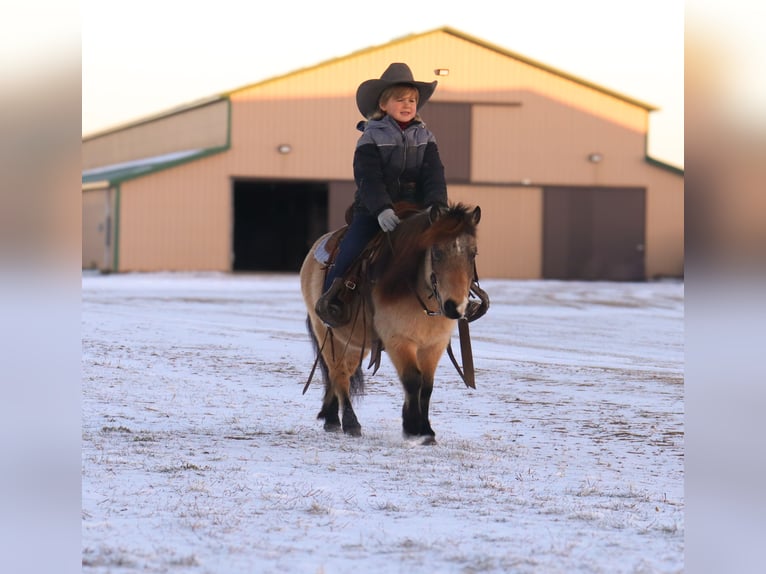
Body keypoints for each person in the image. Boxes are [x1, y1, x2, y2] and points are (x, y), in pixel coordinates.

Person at [315, 62, 449, 327]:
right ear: (383, 104)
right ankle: (332, 301)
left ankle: (456, 297)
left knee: (448, 249)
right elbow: (368, 178)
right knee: (351, 249)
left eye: (412, 99)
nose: (408, 104)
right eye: (400, 99)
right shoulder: (370, 137)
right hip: (374, 211)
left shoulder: (426, 137)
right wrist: (381, 209)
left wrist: (437, 206)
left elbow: (434, 175)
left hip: (416, 211)